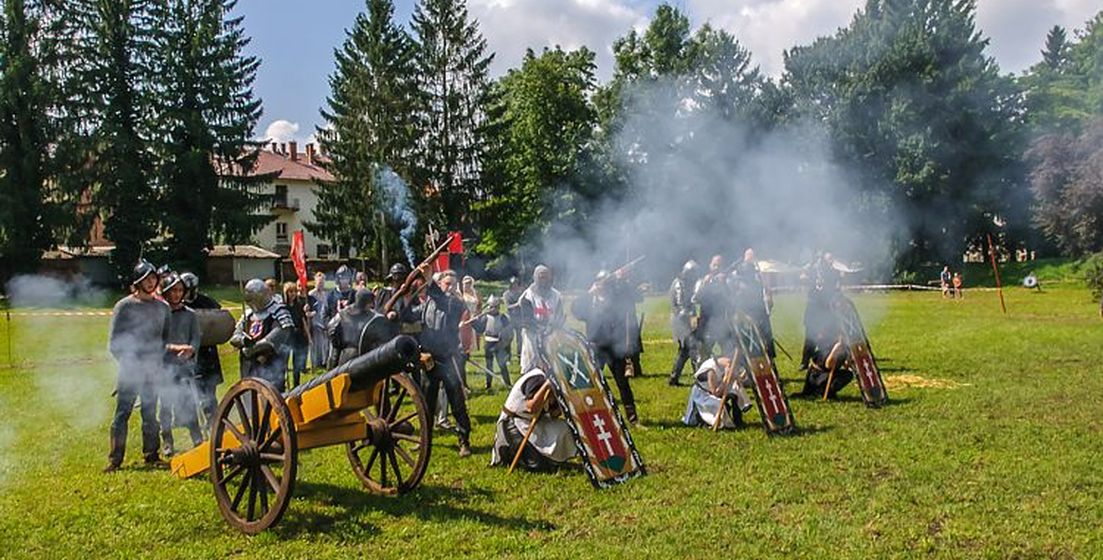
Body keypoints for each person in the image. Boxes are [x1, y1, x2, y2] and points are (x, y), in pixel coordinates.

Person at [105, 260, 170, 472]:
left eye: (153, 279)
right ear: (138, 282)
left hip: (152, 369)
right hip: (130, 370)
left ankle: (151, 454)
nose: (151, 283)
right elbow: (115, 343)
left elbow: (163, 341)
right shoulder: (124, 306)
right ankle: (115, 459)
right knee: (122, 414)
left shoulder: (163, 307)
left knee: (150, 414)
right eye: (146, 279)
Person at [570, 270, 638, 424]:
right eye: (602, 283)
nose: (605, 286)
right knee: (591, 384)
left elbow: (629, 299)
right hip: (595, 348)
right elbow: (575, 310)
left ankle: (633, 419)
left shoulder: (616, 299)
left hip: (614, 348)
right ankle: (590, 416)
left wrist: (622, 278)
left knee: (623, 383)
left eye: (607, 283)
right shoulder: (590, 301)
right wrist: (588, 294)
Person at [419, 267, 473, 457]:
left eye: (452, 284)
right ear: (440, 284)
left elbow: (442, 300)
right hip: (430, 359)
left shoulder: (456, 303)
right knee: (426, 402)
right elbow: (420, 324)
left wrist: (428, 278)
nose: (449, 287)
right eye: (446, 283)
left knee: (457, 403)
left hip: (449, 359)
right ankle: (424, 440)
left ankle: (464, 441)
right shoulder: (428, 302)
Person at [490, 368, 577, 471]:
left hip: (534, 423)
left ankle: (553, 459)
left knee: (565, 428)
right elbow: (531, 407)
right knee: (537, 464)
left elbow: (554, 414)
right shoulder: (537, 378)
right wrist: (548, 384)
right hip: (514, 425)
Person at [158, 272, 203, 456]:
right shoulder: (160, 314)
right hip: (165, 366)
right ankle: (167, 441)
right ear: (166, 292)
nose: (177, 294)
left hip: (185, 366)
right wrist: (175, 348)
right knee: (166, 406)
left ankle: (197, 437)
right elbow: (156, 342)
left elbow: (196, 337)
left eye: (180, 290)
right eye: (173, 290)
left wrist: (191, 349)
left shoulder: (190, 315)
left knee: (189, 403)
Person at [229, 279, 294, 393]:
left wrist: (254, 349)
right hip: (249, 366)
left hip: (270, 363)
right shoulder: (248, 314)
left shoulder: (278, 311)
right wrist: (243, 340)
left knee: (272, 396)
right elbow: (235, 335)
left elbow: (281, 333)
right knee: (249, 396)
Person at [179, 272, 222, 428]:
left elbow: (218, 319)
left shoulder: (207, 302)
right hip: (187, 354)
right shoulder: (179, 305)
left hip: (207, 353)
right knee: (189, 394)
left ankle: (213, 424)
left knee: (208, 394)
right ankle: (194, 427)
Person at [514, 265, 565, 373]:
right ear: (535, 278)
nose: (544, 280)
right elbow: (526, 319)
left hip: (551, 334)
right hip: (532, 335)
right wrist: (540, 329)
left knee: (551, 364)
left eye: (546, 277)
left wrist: (554, 327)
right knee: (531, 363)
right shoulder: (527, 296)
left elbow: (559, 315)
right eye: (541, 277)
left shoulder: (556, 296)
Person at [681, 356, 752, 429]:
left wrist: (738, 377)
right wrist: (726, 379)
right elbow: (715, 392)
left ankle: (738, 419)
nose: (730, 362)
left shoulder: (725, 366)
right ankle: (720, 423)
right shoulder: (711, 370)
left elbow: (738, 379)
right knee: (718, 404)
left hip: (719, 388)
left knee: (736, 390)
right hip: (704, 395)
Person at [731, 248, 775, 359]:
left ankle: (770, 367)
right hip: (745, 317)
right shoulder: (737, 279)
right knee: (746, 346)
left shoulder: (758, 278)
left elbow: (764, 295)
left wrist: (768, 300)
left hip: (759, 313)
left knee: (766, 342)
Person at [800, 252, 842, 370]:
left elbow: (836, 288)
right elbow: (802, 277)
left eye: (831, 259)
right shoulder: (813, 270)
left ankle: (828, 357)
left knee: (830, 334)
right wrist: (807, 272)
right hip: (813, 308)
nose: (830, 261)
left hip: (827, 308)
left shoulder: (833, 273)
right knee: (810, 336)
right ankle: (805, 361)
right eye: (828, 259)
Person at [694, 255, 734, 360]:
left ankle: (729, 373)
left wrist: (724, 284)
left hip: (722, 322)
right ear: (710, 266)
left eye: (719, 266)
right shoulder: (702, 281)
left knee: (729, 351)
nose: (716, 268)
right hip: (706, 322)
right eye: (714, 265)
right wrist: (704, 284)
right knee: (704, 352)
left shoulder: (727, 281)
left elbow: (731, 300)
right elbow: (696, 299)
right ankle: (703, 374)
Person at [328, 288, 379, 367]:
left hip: (366, 357)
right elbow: (332, 331)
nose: (372, 305)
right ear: (364, 302)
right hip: (346, 356)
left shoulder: (372, 316)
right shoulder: (343, 314)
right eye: (370, 302)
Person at [668, 260, 700, 386]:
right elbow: (680, 307)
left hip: (685, 319)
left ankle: (674, 377)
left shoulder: (685, 283)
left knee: (684, 351)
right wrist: (692, 317)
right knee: (692, 348)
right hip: (681, 321)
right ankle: (699, 378)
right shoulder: (679, 284)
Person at [472, 295, 512, 389]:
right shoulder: (485, 317)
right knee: (489, 365)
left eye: (494, 307)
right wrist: (473, 322)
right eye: (490, 306)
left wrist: (504, 342)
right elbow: (480, 329)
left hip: (499, 343)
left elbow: (508, 332)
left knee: (502, 365)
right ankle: (488, 384)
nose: (492, 309)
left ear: (498, 307)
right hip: (488, 343)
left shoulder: (503, 317)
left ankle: (508, 383)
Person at [282, 282, 312, 387]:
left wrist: (309, 337)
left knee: (297, 363)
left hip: (298, 337)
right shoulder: (283, 307)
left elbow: (303, 321)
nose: (293, 294)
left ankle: (297, 385)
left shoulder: (299, 305)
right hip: (287, 337)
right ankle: (284, 384)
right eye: (290, 292)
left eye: (294, 291)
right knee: (284, 363)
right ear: (286, 293)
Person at [307, 271, 330, 370]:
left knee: (324, 343)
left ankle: (324, 361)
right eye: (319, 282)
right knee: (316, 343)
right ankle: (315, 362)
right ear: (315, 282)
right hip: (314, 321)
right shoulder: (311, 294)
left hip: (323, 321)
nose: (321, 284)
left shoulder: (326, 294)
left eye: (322, 282)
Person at [502, 275, 525, 361]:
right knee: (508, 339)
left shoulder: (521, 294)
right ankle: (508, 357)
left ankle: (520, 356)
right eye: (513, 284)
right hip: (510, 318)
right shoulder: (506, 294)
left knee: (520, 339)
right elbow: (508, 306)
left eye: (516, 284)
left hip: (520, 318)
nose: (515, 285)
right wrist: (517, 304)